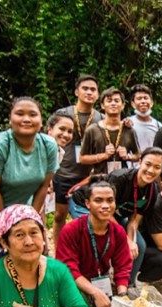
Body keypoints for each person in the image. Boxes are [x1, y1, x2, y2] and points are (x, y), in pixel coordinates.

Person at [68, 147, 162, 286]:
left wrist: (131, 241)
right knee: (94, 239)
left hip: (115, 214)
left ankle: (127, 285)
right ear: (140, 162)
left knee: (139, 245)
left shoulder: (153, 191)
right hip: (86, 206)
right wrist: (125, 239)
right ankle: (87, 283)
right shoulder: (120, 178)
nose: (151, 170)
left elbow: (134, 220)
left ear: (161, 170)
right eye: (148, 164)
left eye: (157, 167)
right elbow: (104, 210)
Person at [56, 181, 132, 307]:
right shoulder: (71, 229)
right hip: (73, 283)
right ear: (87, 204)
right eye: (98, 200)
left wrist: (122, 296)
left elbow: (123, 266)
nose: (105, 205)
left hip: (99, 281)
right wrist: (95, 292)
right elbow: (69, 269)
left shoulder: (118, 232)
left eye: (110, 200)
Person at [52, 75, 102, 249]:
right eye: (85, 88)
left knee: (85, 218)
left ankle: (81, 253)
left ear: (97, 94)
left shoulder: (100, 118)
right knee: (59, 216)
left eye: (93, 89)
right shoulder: (63, 114)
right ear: (76, 92)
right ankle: (59, 252)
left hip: (88, 176)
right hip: (63, 172)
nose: (89, 92)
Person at [0, 97, 60, 212]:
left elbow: (44, 186)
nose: (26, 119)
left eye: (33, 115)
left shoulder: (49, 145)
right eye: (19, 114)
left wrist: (32, 216)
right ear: (10, 119)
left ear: (41, 121)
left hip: (25, 209)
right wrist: (5, 223)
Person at [80, 87, 139, 174]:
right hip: (99, 180)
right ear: (102, 105)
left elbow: (138, 155)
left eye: (116, 101)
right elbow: (82, 159)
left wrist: (128, 156)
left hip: (123, 179)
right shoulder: (92, 130)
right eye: (109, 100)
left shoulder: (129, 130)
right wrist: (104, 156)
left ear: (122, 105)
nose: (113, 103)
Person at [128, 84, 162, 150]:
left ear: (151, 103)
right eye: (139, 98)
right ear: (133, 104)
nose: (143, 101)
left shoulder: (158, 126)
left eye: (146, 98)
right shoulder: (127, 123)